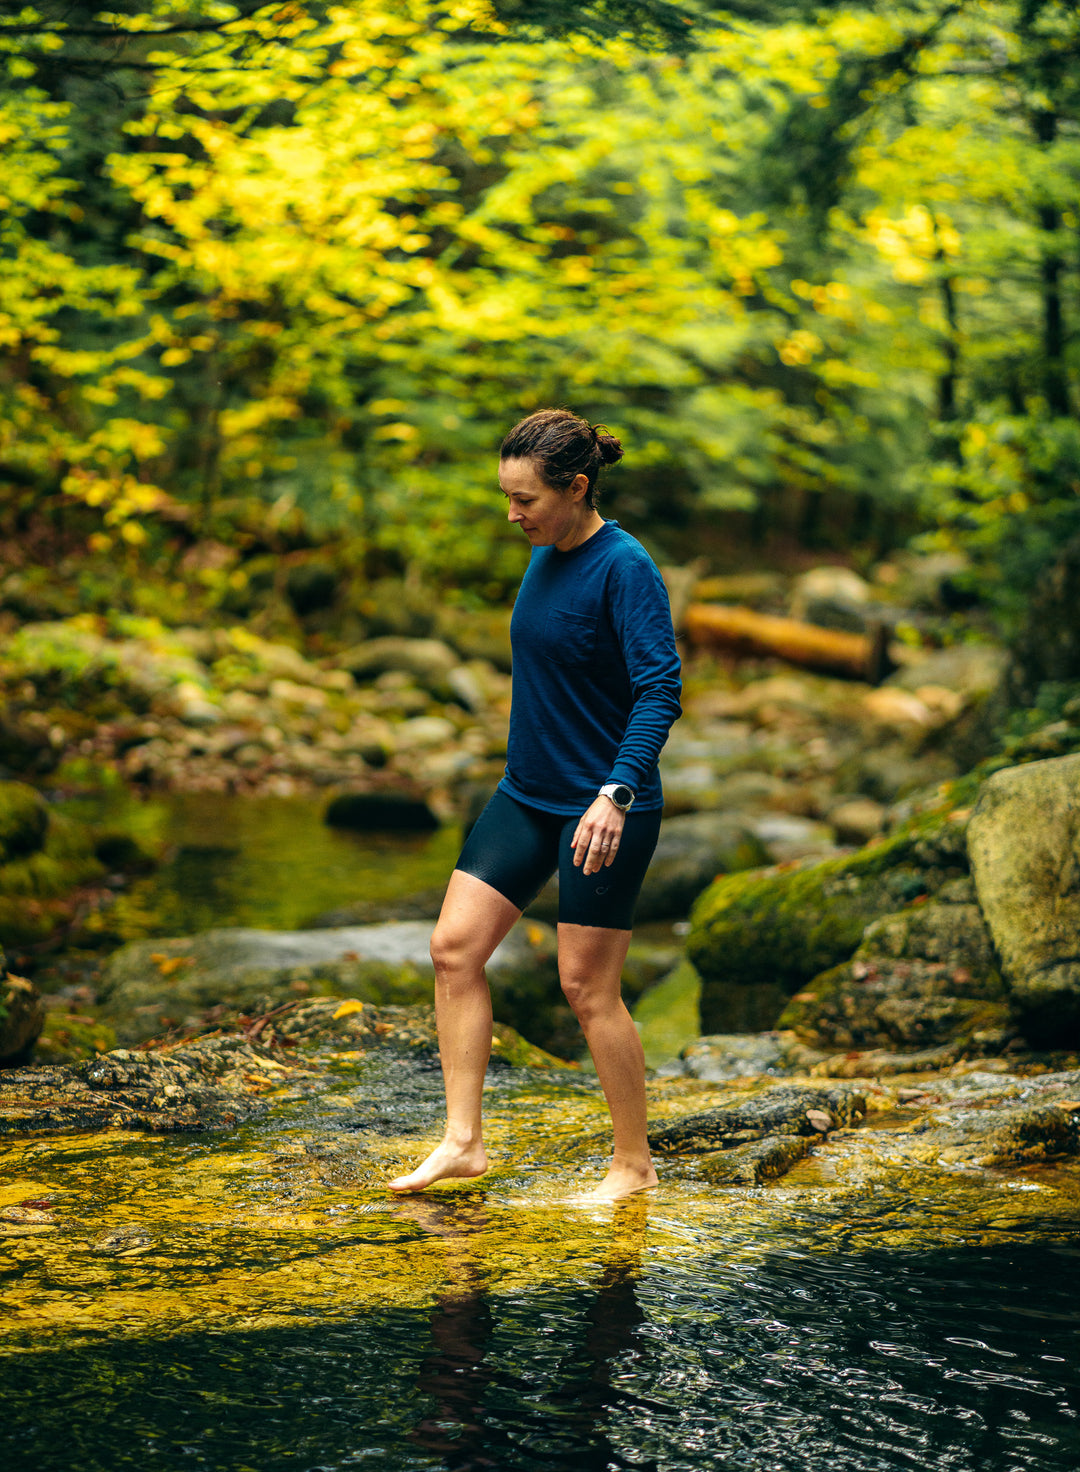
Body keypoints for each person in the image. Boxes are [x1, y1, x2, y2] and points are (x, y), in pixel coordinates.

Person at [389, 409, 682, 1200]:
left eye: (525, 500)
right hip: (527, 793)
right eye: (507, 497)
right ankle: (462, 1142)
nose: (512, 514)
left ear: (576, 488)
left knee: (587, 988)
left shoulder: (625, 567)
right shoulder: (544, 553)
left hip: (605, 804)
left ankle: (633, 1166)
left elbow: (661, 689)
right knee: (454, 950)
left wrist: (616, 793)